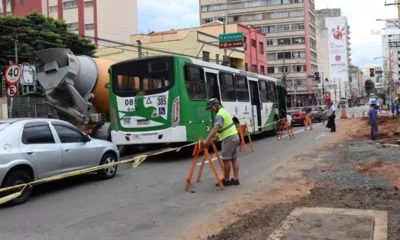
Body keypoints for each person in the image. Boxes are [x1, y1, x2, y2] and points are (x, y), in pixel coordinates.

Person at [201, 98, 240, 186]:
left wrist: (207, 140)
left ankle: (226, 180)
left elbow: (216, 128)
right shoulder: (224, 111)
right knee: (234, 158)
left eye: (211, 108)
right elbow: (225, 127)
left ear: (215, 105)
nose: (211, 110)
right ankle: (236, 179)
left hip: (228, 138)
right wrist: (216, 138)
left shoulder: (219, 115)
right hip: (235, 136)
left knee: (226, 160)